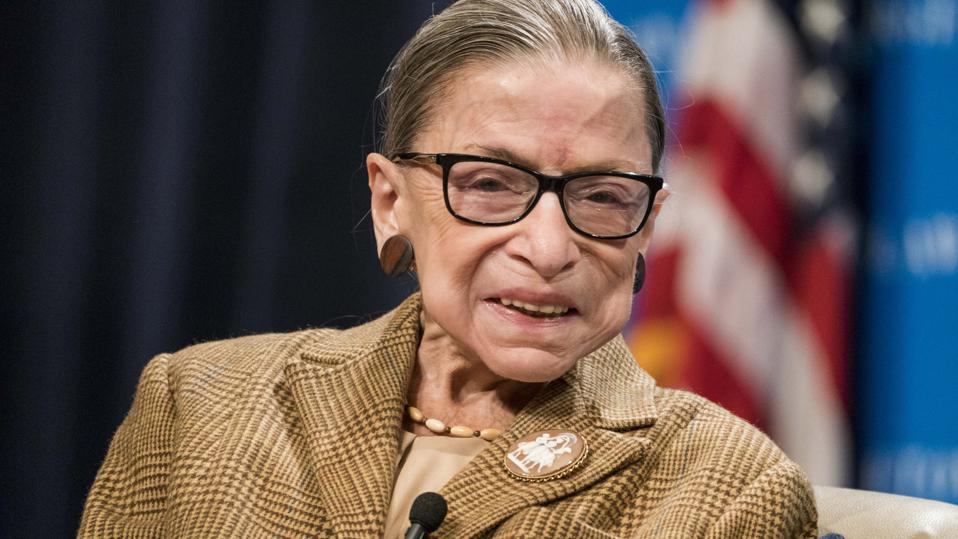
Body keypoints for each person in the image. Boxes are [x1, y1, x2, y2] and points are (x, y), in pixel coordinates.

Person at [79, 0, 818, 537]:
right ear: (391, 200)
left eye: (601, 196)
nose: (549, 248)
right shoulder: (199, 406)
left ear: (648, 224)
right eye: (490, 184)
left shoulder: (728, 490)